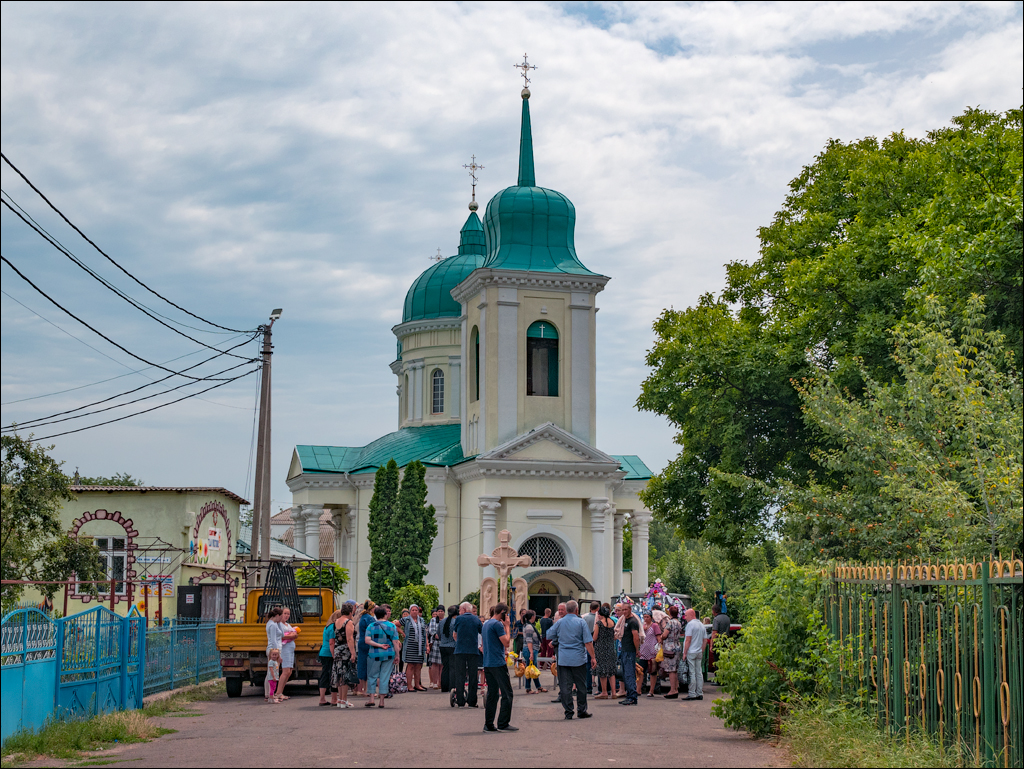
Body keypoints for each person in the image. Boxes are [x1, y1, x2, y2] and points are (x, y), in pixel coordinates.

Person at [547, 600, 596, 720]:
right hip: (578, 659)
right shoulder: (581, 622)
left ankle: (568, 711)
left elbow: (549, 634)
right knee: (581, 685)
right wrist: (593, 657)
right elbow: (588, 642)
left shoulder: (560, 622)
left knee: (565, 686)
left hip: (563, 659)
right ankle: (581, 710)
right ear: (577, 610)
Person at [481, 602, 517, 732]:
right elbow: (506, 642)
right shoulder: (497, 624)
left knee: (493, 693)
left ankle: (489, 723)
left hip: (488, 662)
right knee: (507, 693)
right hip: (497, 662)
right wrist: (507, 626)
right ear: (502, 612)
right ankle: (503, 722)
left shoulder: (486, 624)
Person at [365, 605, 401, 708]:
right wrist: (397, 655)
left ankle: (371, 698)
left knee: (372, 676)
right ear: (385, 614)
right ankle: (382, 701)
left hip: (374, 654)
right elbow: (395, 642)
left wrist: (379, 645)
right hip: (389, 653)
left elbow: (367, 640)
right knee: (384, 676)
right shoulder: (392, 626)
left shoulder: (371, 626)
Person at [451, 601, 482, 708]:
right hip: (473, 650)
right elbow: (481, 633)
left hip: (460, 650)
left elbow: (454, 634)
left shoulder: (458, 619)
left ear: (463, 610)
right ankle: (472, 701)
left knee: (460, 675)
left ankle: (460, 700)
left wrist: (459, 641)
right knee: (473, 675)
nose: (459, 612)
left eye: (460, 610)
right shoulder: (476, 619)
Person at [332, 603, 358, 708]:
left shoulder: (336, 621)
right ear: (351, 611)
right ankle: (344, 700)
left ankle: (340, 700)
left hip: (337, 650)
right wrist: (353, 652)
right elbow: (349, 638)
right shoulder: (348, 622)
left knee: (339, 675)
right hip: (345, 650)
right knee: (345, 675)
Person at [617, 603, 641, 705]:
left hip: (630, 651)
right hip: (624, 650)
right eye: (622, 610)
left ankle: (632, 697)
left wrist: (637, 650)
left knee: (629, 674)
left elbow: (636, 637)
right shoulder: (624, 620)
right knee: (625, 674)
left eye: (626, 609)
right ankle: (629, 695)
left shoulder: (633, 621)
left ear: (630, 609)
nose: (624, 612)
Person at [400, 604, 428, 691]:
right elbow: (396, 625)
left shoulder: (421, 620)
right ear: (410, 611)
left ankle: (417, 684)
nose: (415, 611)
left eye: (416, 610)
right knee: (411, 665)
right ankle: (409, 685)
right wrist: (402, 633)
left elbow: (425, 633)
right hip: (410, 645)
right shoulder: (406, 619)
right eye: (413, 610)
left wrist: (427, 645)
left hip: (419, 646)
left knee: (419, 665)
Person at [682, 608, 707, 701]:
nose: (685, 617)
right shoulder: (701, 625)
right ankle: (699, 693)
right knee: (699, 673)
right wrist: (702, 651)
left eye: (686, 615)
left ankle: (692, 693)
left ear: (692, 615)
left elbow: (688, 639)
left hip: (691, 652)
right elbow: (705, 641)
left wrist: (684, 653)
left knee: (692, 673)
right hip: (699, 652)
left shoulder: (690, 625)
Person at [593, 603, 617, 699]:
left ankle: (604, 692)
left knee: (602, 671)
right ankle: (614, 692)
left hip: (601, 648)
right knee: (611, 671)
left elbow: (595, 638)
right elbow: (614, 636)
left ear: (600, 614)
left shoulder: (599, 624)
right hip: (611, 648)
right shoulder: (612, 622)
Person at [520, 610, 547, 694]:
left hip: (532, 649)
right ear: (532, 617)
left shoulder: (530, 626)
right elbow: (529, 640)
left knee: (533, 669)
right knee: (530, 669)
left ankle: (538, 686)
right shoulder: (529, 627)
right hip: (530, 650)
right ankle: (529, 688)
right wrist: (531, 652)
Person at [318, 609, 342, 705]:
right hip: (329, 654)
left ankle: (323, 698)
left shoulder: (327, 626)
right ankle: (331, 699)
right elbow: (332, 642)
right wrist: (334, 655)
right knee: (331, 676)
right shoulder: (333, 627)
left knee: (325, 675)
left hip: (324, 652)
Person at [660, 605, 683, 698]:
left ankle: (673, 690)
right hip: (677, 645)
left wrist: (660, 637)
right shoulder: (678, 623)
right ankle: (676, 688)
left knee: (671, 670)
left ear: (670, 613)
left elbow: (665, 635)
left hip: (670, 647)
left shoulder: (670, 623)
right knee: (675, 669)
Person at [277, 606, 298, 701]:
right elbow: (282, 636)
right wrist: (291, 635)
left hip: (290, 649)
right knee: (285, 671)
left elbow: (295, 634)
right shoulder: (279, 625)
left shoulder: (287, 625)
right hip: (285, 649)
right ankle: (278, 692)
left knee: (289, 671)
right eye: (285, 613)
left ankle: (281, 691)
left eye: (288, 614)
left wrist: (292, 635)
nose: (286, 615)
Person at [639, 611, 661, 697]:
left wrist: (658, 649)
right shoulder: (642, 626)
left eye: (647, 617)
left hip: (652, 652)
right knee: (640, 671)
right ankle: (639, 689)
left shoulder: (654, 626)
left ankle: (651, 691)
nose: (646, 619)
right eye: (644, 617)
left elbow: (659, 638)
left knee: (652, 672)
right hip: (643, 652)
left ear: (651, 617)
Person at [264, 606, 284, 702]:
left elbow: (282, 634)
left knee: (271, 672)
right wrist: (277, 654)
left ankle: (268, 694)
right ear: (277, 615)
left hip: (274, 650)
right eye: (281, 616)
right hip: (274, 650)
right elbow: (273, 640)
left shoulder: (273, 624)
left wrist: (279, 623)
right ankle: (270, 695)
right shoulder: (272, 625)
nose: (282, 618)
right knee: (272, 673)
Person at [356, 600, 375, 697]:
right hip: (369, 643)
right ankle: (367, 690)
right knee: (370, 666)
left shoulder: (362, 617)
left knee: (362, 665)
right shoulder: (370, 619)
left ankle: (363, 688)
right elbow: (374, 631)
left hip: (361, 642)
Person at [709, 605, 731, 683]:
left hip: (718, 643)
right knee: (724, 661)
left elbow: (714, 632)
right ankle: (724, 679)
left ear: (714, 611)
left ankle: (719, 680)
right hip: (726, 642)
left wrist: (711, 644)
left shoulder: (716, 619)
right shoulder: (727, 618)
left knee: (717, 661)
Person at [439, 605, 458, 692]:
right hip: (452, 646)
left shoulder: (442, 621)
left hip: (442, 646)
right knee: (453, 667)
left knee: (445, 667)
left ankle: (444, 686)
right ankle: (452, 686)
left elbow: (438, 634)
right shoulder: (455, 622)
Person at [583, 601, 599, 694]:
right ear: (597, 608)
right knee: (598, 664)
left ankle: (588, 686)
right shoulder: (599, 619)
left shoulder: (585, 618)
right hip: (596, 643)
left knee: (588, 665)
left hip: (587, 643)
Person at [427, 606, 444, 689]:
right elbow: (431, 630)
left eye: (442, 611)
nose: (440, 612)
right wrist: (435, 635)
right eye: (439, 611)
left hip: (444, 643)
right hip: (435, 643)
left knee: (442, 664)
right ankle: (434, 682)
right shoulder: (433, 620)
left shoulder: (445, 620)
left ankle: (441, 682)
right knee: (434, 663)